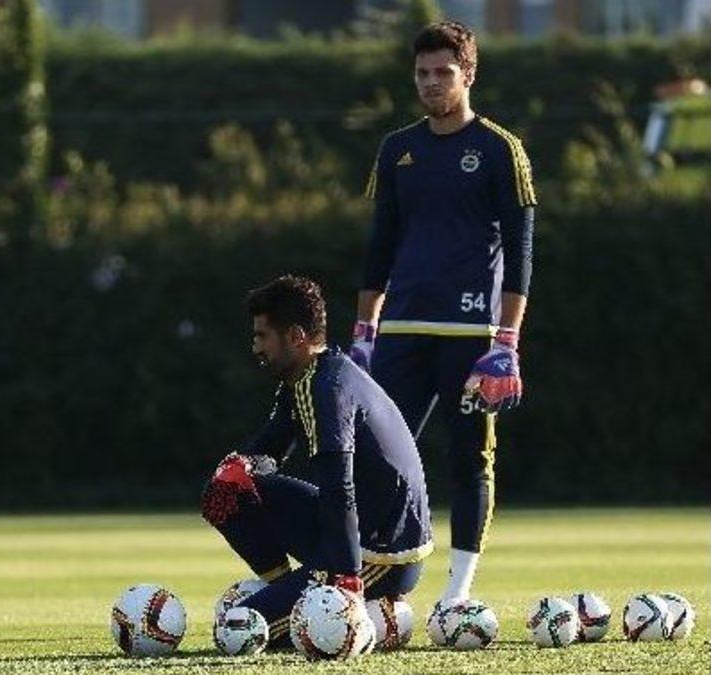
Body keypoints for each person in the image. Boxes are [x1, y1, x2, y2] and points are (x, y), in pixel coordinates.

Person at [350, 21, 536, 604]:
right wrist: (364, 331)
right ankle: (374, 583)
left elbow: (522, 251)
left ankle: (456, 596)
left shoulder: (500, 149)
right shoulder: (396, 149)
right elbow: (380, 244)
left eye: (443, 72)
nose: (431, 83)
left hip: (471, 334)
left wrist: (507, 342)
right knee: (374, 456)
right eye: (422, 73)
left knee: (468, 459)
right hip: (401, 329)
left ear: (468, 75)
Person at [201, 275, 433, 647]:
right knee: (224, 490)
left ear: (296, 336)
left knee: (237, 633)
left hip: (382, 554)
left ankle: (338, 594)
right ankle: (288, 586)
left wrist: (346, 578)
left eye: (262, 336)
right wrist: (242, 467)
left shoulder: (328, 388)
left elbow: (340, 487)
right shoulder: (303, 379)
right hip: (353, 531)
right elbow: (270, 449)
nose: (255, 346)